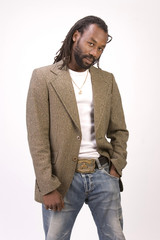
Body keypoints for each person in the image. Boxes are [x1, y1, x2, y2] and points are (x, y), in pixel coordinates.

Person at [26, 15, 129, 240]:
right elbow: (37, 137)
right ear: (76, 36)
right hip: (61, 180)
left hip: (103, 174)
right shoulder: (43, 77)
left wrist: (116, 167)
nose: (95, 53)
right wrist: (47, 186)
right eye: (91, 44)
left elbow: (119, 130)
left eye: (100, 48)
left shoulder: (107, 80)